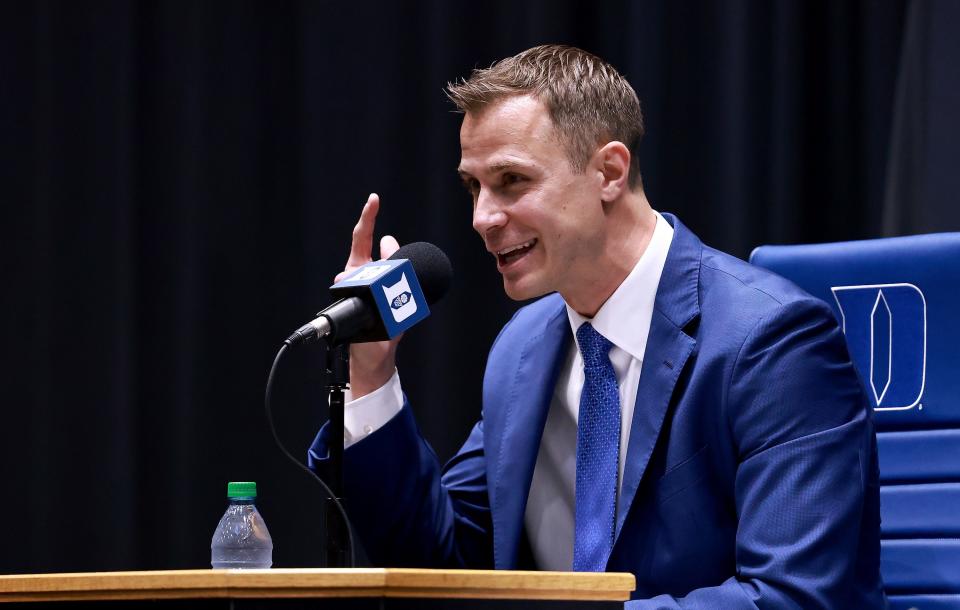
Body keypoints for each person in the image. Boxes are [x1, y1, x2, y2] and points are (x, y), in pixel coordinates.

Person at [308, 45, 886, 608]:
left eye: (511, 180)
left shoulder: (772, 341)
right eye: (473, 187)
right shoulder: (522, 348)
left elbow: (791, 597)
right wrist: (373, 376)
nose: (483, 218)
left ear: (609, 171)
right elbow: (444, 570)